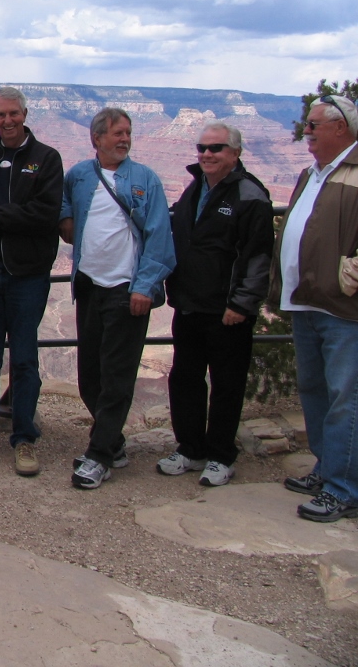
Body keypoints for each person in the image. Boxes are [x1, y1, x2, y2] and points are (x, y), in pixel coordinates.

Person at [60, 108, 175, 489]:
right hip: (90, 286)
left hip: (127, 290)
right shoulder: (79, 175)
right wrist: (67, 226)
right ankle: (115, 443)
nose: (124, 139)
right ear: (97, 139)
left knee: (117, 377)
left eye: (128, 132)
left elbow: (160, 237)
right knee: (89, 377)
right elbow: (64, 213)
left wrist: (145, 286)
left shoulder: (145, 179)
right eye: (117, 133)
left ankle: (99, 456)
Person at [159, 123, 273, 488]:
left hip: (227, 310)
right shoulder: (197, 187)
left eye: (216, 148)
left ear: (235, 153)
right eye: (202, 148)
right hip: (190, 304)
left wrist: (241, 303)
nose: (206, 154)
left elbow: (258, 256)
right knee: (186, 379)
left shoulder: (250, 194)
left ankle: (221, 456)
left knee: (226, 384)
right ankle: (190, 449)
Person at [0, 87, 63, 477]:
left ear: (24, 114)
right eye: (0, 115)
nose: (8, 121)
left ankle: (24, 440)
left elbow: (46, 212)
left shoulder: (46, 158)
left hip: (28, 274)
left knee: (24, 359)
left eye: (14, 114)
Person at [269, 94, 358, 522]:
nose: (305, 131)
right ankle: (327, 469)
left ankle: (345, 487)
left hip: (342, 304)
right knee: (315, 389)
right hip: (305, 299)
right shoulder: (312, 173)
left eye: (313, 125)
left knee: (346, 396)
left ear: (340, 128)